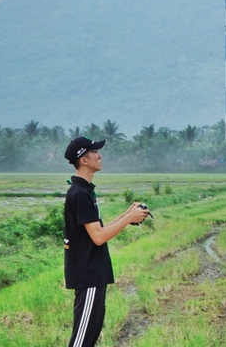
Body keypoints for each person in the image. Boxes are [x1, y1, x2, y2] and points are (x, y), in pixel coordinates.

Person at [63, 136, 149, 347]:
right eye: (95, 152)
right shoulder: (80, 194)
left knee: (89, 336)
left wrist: (127, 215)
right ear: (84, 160)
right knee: (82, 340)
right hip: (88, 275)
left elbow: (96, 230)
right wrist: (128, 218)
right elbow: (99, 237)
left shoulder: (85, 191)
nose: (100, 156)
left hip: (93, 274)